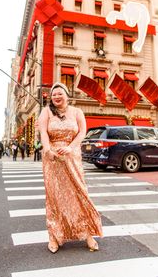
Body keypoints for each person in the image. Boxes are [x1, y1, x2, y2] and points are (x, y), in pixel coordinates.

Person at [38, 82, 103, 253]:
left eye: (60, 93)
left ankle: (88, 234)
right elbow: (43, 133)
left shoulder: (77, 112)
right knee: (54, 197)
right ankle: (54, 236)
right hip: (52, 159)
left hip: (72, 155)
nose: (57, 97)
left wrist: (70, 147)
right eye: (54, 95)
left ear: (67, 95)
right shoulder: (46, 111)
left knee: (79, 194)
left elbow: (82, 132)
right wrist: (47, 150)